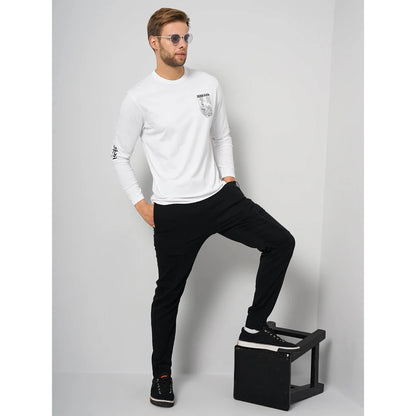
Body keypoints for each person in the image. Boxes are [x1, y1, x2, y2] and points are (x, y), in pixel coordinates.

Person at [112, 7, 299, 408]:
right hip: (174, 212)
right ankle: (161, 376)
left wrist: (228, 179)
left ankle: (254, 327)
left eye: (186, 37)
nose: (182, 45)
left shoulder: (208, 84)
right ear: (154, 42)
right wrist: (142, 205)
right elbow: (118, 155)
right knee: (168, 296)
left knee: (281, 242)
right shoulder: (138, 98)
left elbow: (222, 135)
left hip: (219, 198)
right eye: (174, 38)